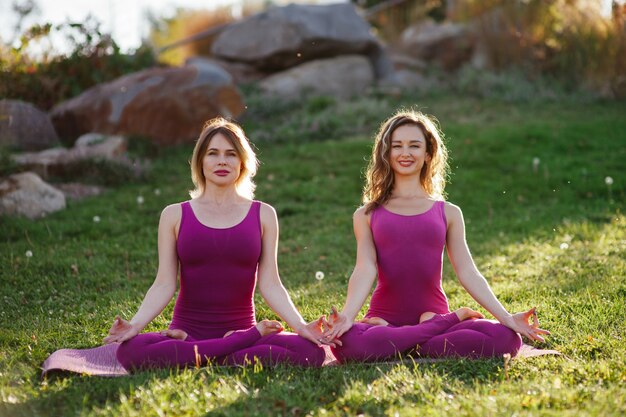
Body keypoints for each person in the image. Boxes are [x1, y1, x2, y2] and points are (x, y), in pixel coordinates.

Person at [322, 110, 550, 363]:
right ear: (386, 153)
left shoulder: (449, 212)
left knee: (506, 338)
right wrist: (347, 316)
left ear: (428, 154)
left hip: (429, 315)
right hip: (387, 320)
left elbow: (468, 271)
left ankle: (401, 343)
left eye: (414, 145)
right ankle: (431, 335)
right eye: (396, 145)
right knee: (347, 345)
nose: (405, 153)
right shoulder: (366, 214)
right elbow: (364, 268)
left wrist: (506, 317)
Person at [103, 117, 327, 370]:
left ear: (242, 162)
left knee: (310, 352)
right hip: (187, 334)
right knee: (130, 351)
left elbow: (271, 283)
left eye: (231, 154)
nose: (222, 161)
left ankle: (204, 354)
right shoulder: (174, 215)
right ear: (200, 161)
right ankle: (232, 350)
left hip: (237, 330)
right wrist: (134, 326)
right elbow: (164, 283)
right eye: (213, 153)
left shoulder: (263, 214)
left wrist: (300, 326)